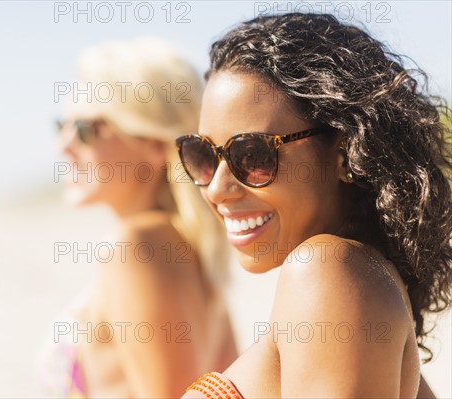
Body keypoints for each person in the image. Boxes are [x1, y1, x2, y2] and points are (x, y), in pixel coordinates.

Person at [177, 13, 451, 398]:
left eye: (252, 154)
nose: (218, 188)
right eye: (202, 154)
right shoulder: (353, 280)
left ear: (344, 153)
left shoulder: (327, 272)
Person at [40, 37, 238, 398]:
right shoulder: (192, 255)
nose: (63, 145)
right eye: (62, 126)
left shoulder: (136, 247)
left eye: (86, 130)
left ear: (155, 144)